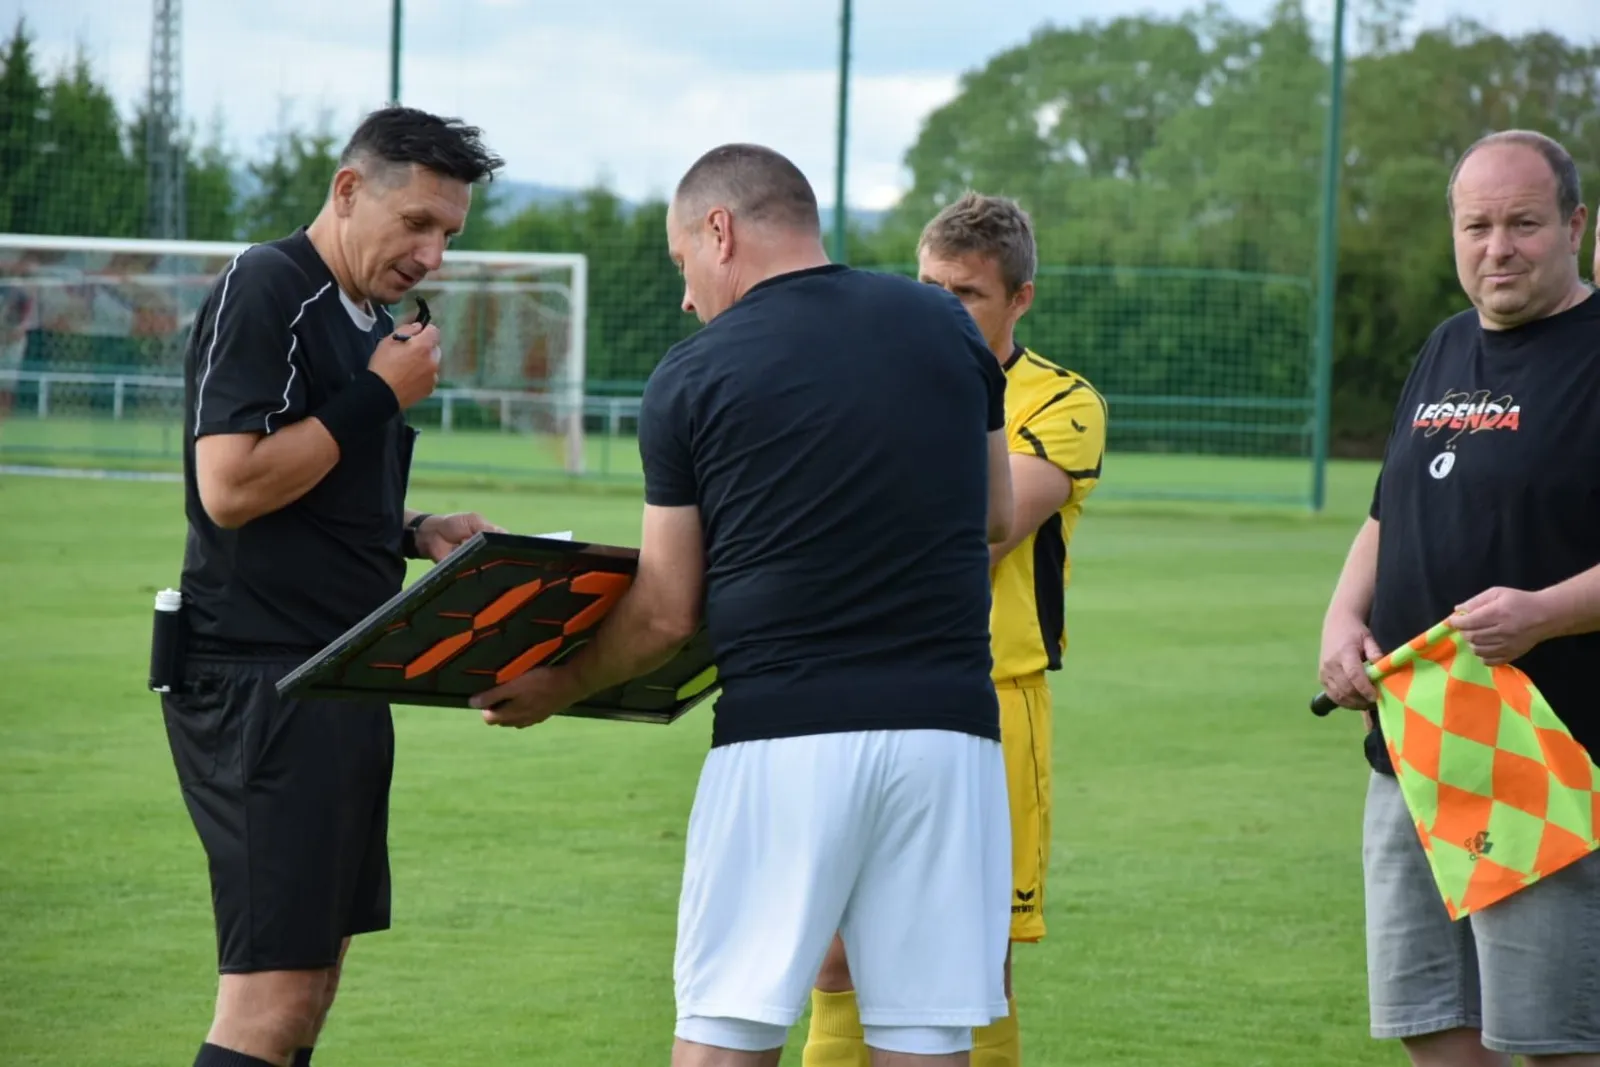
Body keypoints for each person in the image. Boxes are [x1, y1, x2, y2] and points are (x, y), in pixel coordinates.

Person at [472, 142, 1016, 1066]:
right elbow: (995, 515)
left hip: (786, 740)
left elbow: (665, 611)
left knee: (726, 1034)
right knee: (926, 1041)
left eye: (681, 259)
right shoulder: (945, 322)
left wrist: (560, 682)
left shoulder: (692, 374)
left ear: (718, 231)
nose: (686, 296)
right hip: (951, 738)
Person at [160, 105, 505, 1067]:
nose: (432, 255)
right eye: (417, 224)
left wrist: (416, 530)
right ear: (348, 191)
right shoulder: (269, 285)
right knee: (268, 1004)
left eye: (449, 234)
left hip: (340, 676)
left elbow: (314, 492)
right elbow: (230, 486)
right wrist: (378, 395)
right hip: (260, 683)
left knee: (309, 993)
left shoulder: (370, 325)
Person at [801, 192, 1106, 1067]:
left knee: (975, 962)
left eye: (966, 292)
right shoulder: (872, 379)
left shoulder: (1063, 402)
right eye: (929, 286)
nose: (941, 307)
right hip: (866, 687)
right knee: (835, 953)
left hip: (993, 698)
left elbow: (979, 526)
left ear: (1020, 298)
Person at [1318, 128, 1600, 1067]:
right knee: (1431, 1019)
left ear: (1574, 225)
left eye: (1523, 224)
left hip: (1547, 753)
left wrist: (1545, 612)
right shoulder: (1445, 345)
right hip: (1416, 744)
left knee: (1555, 1036)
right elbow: (1387, 510)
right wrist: (1342, 618)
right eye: (1477, 226)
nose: (1497, 248)